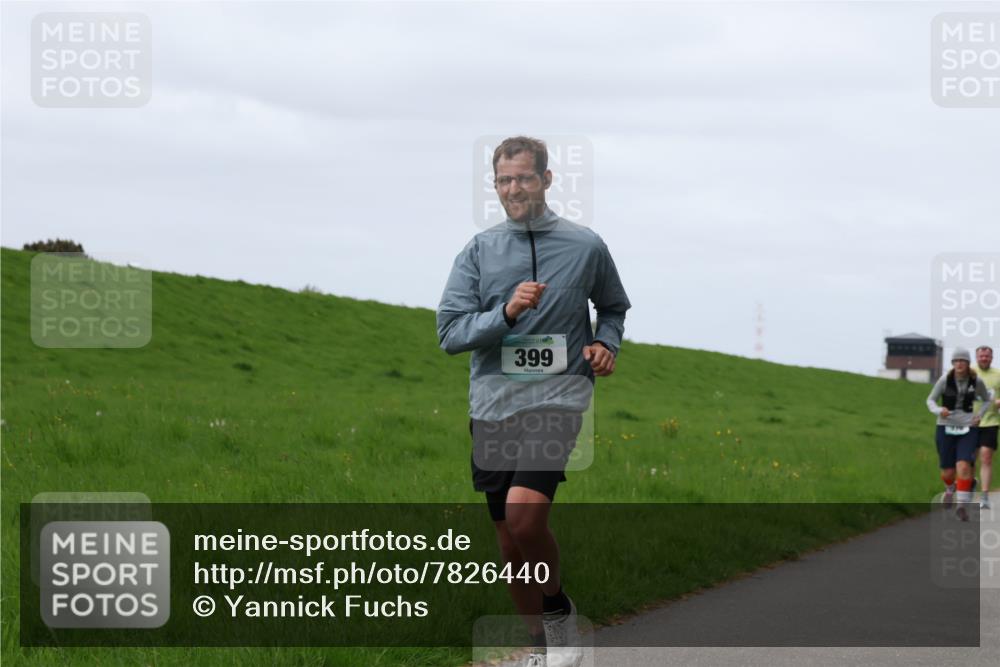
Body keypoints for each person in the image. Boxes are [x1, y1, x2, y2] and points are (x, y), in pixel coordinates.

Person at [437, 136, 630, 667]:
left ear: (547, 180)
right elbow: (450, 333)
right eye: (504, 180)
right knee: (507, 543)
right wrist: (506, 313)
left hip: (560, 396)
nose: (513, 188)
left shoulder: (586, 246)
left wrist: (604, 343)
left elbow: (612, 308)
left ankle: (557, 609)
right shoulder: (478, 251)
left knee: (525, 519)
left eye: (524, 177)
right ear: (494, 185)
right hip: (494, 403)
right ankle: (539, 650)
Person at [926, 347, 994, 519]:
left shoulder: (975, 380)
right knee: (948, 472)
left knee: (964, 465)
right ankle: (950, 488)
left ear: (968, 363)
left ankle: (961, 506)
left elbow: (987, 399)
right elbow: (930, 400)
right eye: (956, 361)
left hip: (968, 427)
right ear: (952, 363)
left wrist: (979, 415)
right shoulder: (945, 380)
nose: (959, 364)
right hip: (945, 426)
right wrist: (939, 410)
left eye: (962, 361)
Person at [974, 345, 1000, 509]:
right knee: (968, 460)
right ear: (976, 357)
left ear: (992, 357)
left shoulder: (997, 375)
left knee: (986, 456)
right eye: (981, 356)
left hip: (990, 421)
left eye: (987, 356)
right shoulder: (969, 372)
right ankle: (969, 483)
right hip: (969, 422)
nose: (984, 358)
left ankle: (984, 496)